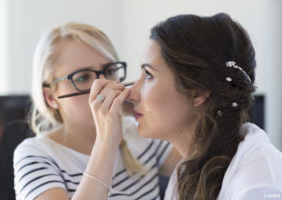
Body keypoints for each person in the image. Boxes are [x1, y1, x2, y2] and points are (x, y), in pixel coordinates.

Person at [87, 13, 282, 200]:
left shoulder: (258, 186)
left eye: (148, 75)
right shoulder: (188, 170)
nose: (130, 93)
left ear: (197, 92)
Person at [13, 22, 180, 200]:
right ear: (50, 98)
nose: (102, 86)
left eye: (109, 70)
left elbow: (201, 166)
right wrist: (106, 142)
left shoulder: (140, 133)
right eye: (83, 77)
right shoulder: (36, 155)